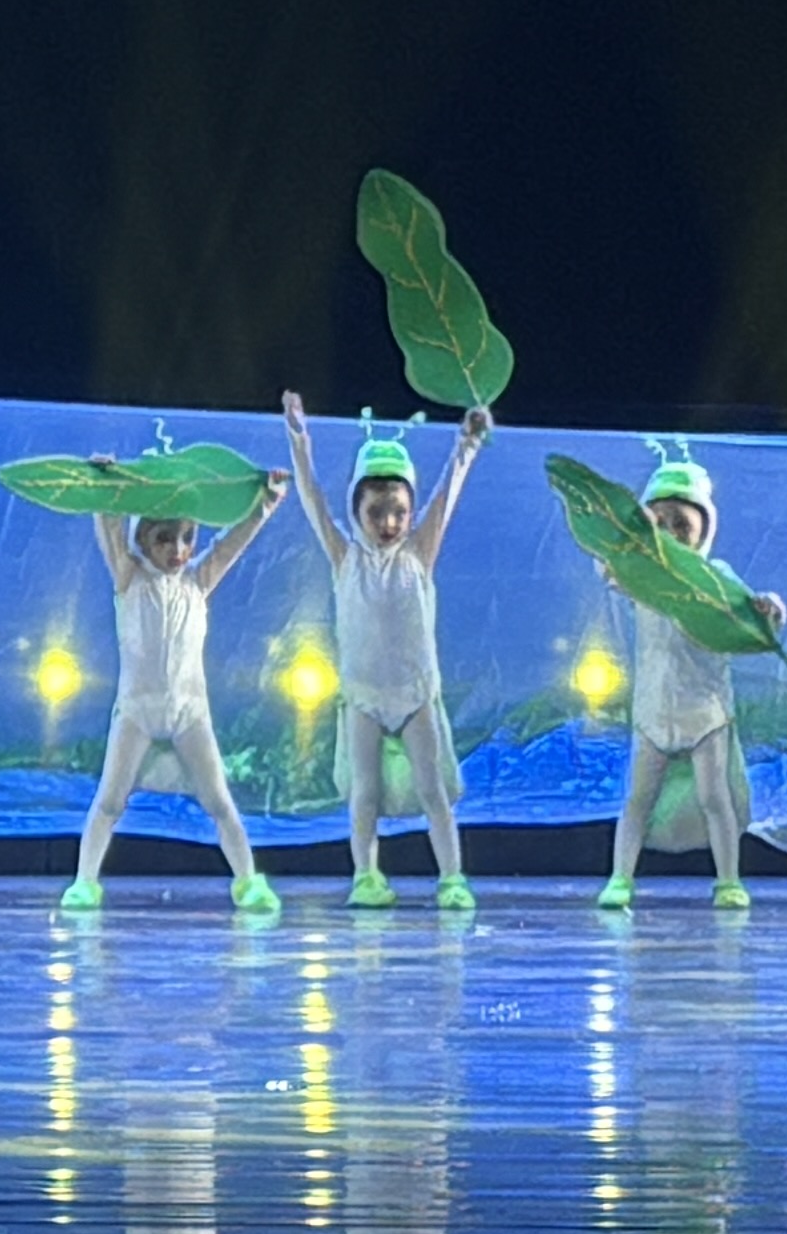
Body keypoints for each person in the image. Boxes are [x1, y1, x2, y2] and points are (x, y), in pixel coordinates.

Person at [283, 393, 489, 912]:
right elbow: (311, 499)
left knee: (432, 789)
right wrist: (299, 439)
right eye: (376, 512)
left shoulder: (419, 554)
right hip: (363, 698)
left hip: (415, 695)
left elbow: (448, 494)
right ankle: (366, 876)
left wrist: (467, 445)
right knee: (365, 793)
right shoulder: (345, 558)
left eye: (399, 512)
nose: (389, 523)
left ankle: (452, 878)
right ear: (357, 511)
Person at [66, 484, 280, 920]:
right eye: (164, 538)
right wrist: (108, 492)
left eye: (187, 538)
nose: (178, 550)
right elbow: (110, 532)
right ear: (142, 540)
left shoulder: (197, 583)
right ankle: (84, 881)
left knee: (219, 802)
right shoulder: (130, 579)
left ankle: (248, 881)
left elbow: (233, 543)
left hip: (189, 713)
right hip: (137, 712)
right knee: (109, 801)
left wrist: (265, 504)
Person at [594, 444, 784, 916]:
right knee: (638, 799)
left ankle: (729, 880)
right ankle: (620, 878)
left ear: (704, 527)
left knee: (715, 799)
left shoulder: (716, 574)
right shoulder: (641, 578)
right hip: (655, 708)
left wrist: (771, 609)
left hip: (706, 709)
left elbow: (755, 616)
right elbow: (606, 564)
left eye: (682, 523)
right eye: (661, 523)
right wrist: (626, 540)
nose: (672, 533)